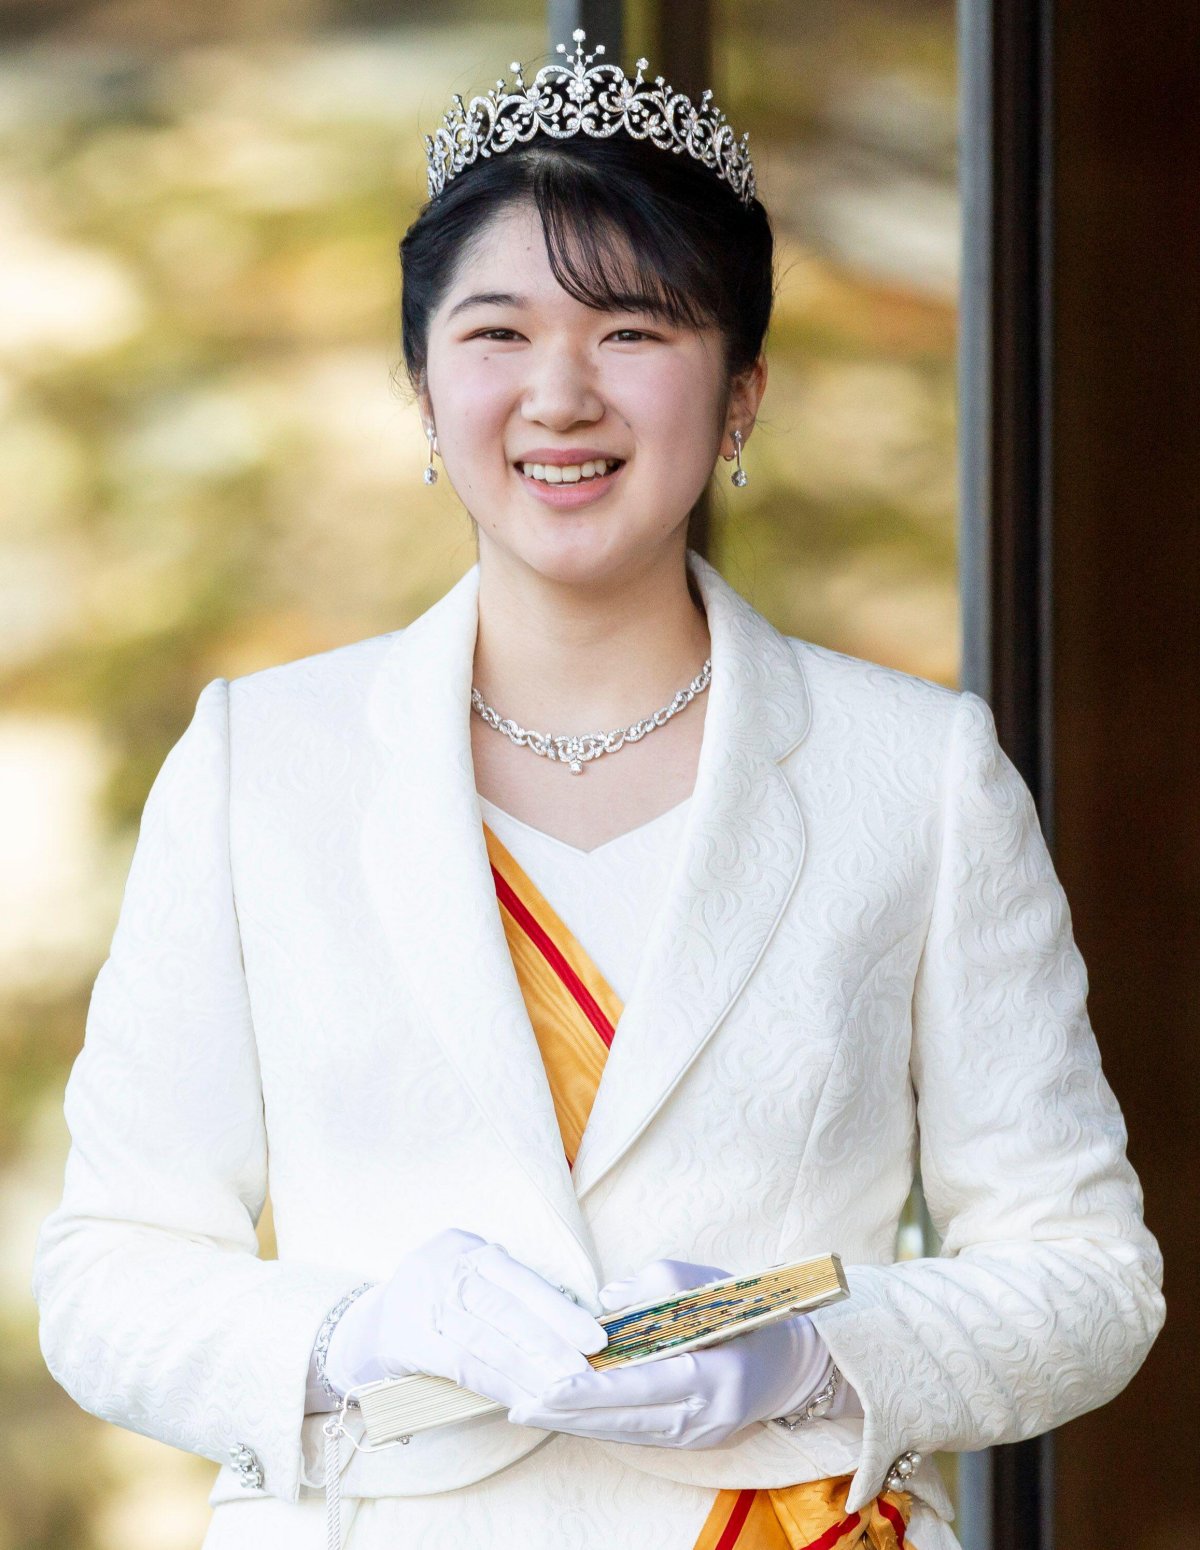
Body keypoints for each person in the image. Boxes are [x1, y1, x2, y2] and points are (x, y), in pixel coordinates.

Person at [31, 29, 1163, 1550]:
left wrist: (818, 1351)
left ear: (742, 393)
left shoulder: (920, 771)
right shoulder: (260, 763)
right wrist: (358, 1333)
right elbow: (107, 1270)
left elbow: (1088, 1271)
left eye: (634, 329)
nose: (561, 393)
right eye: (496, 333)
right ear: (425, 392)